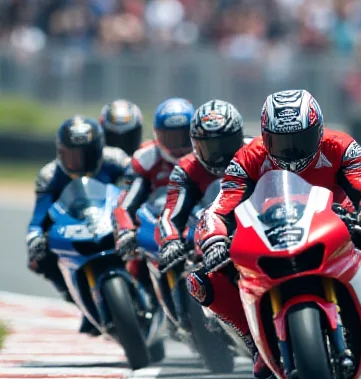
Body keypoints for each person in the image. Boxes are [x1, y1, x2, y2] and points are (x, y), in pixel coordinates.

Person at [188, 89, 361, 379]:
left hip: (335, 226)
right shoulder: (247, 157)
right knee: (202, 279)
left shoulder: (341, 145)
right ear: (266, 137)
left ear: (318, 131)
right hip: (272, 232)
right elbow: (218, 209)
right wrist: (214, 238)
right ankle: (253, 341)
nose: (292, 151)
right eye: (281, 142)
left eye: (300, 139)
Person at [26, 116, 130, 333]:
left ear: (99, 150)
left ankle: (151, 285)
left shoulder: (117, 160)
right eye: (71, 155)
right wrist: (34, 238)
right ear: (60, 153)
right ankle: (77, 299)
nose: (78, 163)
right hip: (74, 226)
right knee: (40, 258)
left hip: (114, 221)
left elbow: (138, 188)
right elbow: (38, 218)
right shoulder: (49, 175)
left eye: (87, 155)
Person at [158, 100, 248, 272]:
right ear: (195, 146)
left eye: (227, 145)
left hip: (257, 228)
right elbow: (170, 213)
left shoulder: (256, 151)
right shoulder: (186, 169)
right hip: (209, 241)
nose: (220, 156)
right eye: (211, 148)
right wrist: (171, 241)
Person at [112, 98, 194, 260]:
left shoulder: (204, 153)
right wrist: (125, 230)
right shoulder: (145, 157)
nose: (178, 146)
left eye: (183, 137)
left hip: (196, 224)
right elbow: (127, 200)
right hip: (156, 226)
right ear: (158, 135)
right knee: (133, 261)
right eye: (171, 138)